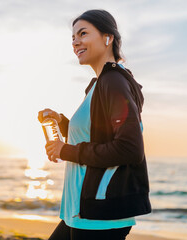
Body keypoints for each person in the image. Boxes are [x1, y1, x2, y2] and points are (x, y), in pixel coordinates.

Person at [38, 9, 151, 240]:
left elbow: (130, 149)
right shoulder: (98, 85)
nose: (75, 42)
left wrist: (66, 150)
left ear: (108, 38)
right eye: (72, 37)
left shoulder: (114, 82)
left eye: (83, 33)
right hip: (80, 209)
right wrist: (60, 121)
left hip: (100, 214)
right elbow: (95, 137)